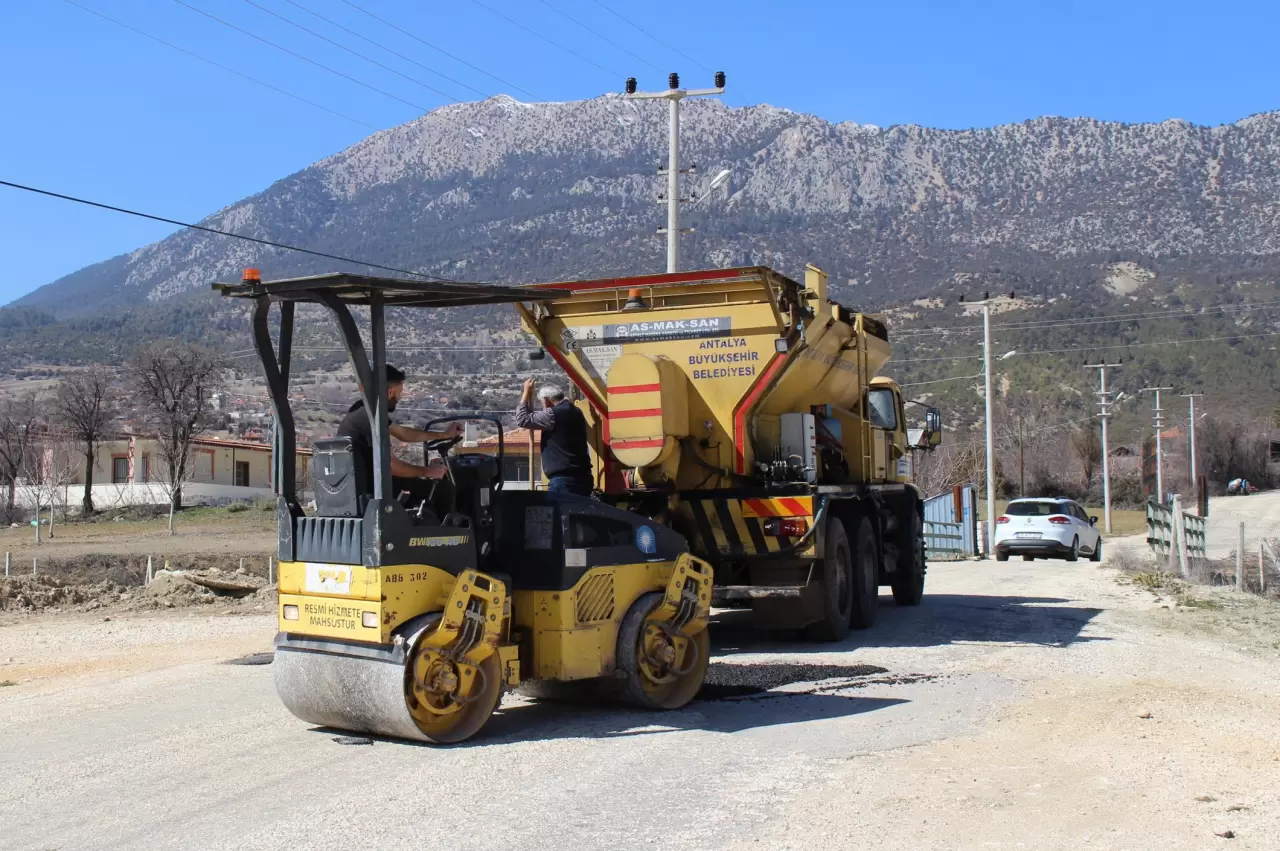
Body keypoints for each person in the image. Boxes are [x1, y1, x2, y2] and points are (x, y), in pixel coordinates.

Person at [336, 364, 462, 504]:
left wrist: (445, 435)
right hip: (374, 491)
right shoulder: (371, 418)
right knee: (445, 490)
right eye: (399, 392)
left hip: (364, 487)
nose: (400, 397)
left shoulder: (362, 410)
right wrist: (429, 472)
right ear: (390, 392)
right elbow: (391, 467)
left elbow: (403, 433)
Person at [515, 378, 592, 496]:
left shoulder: (553, 414)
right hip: (583, 478)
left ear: (547, 401)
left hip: (563, 481)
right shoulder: (577, 411)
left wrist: (526, 392)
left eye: (542, 403)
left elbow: (522, 419)